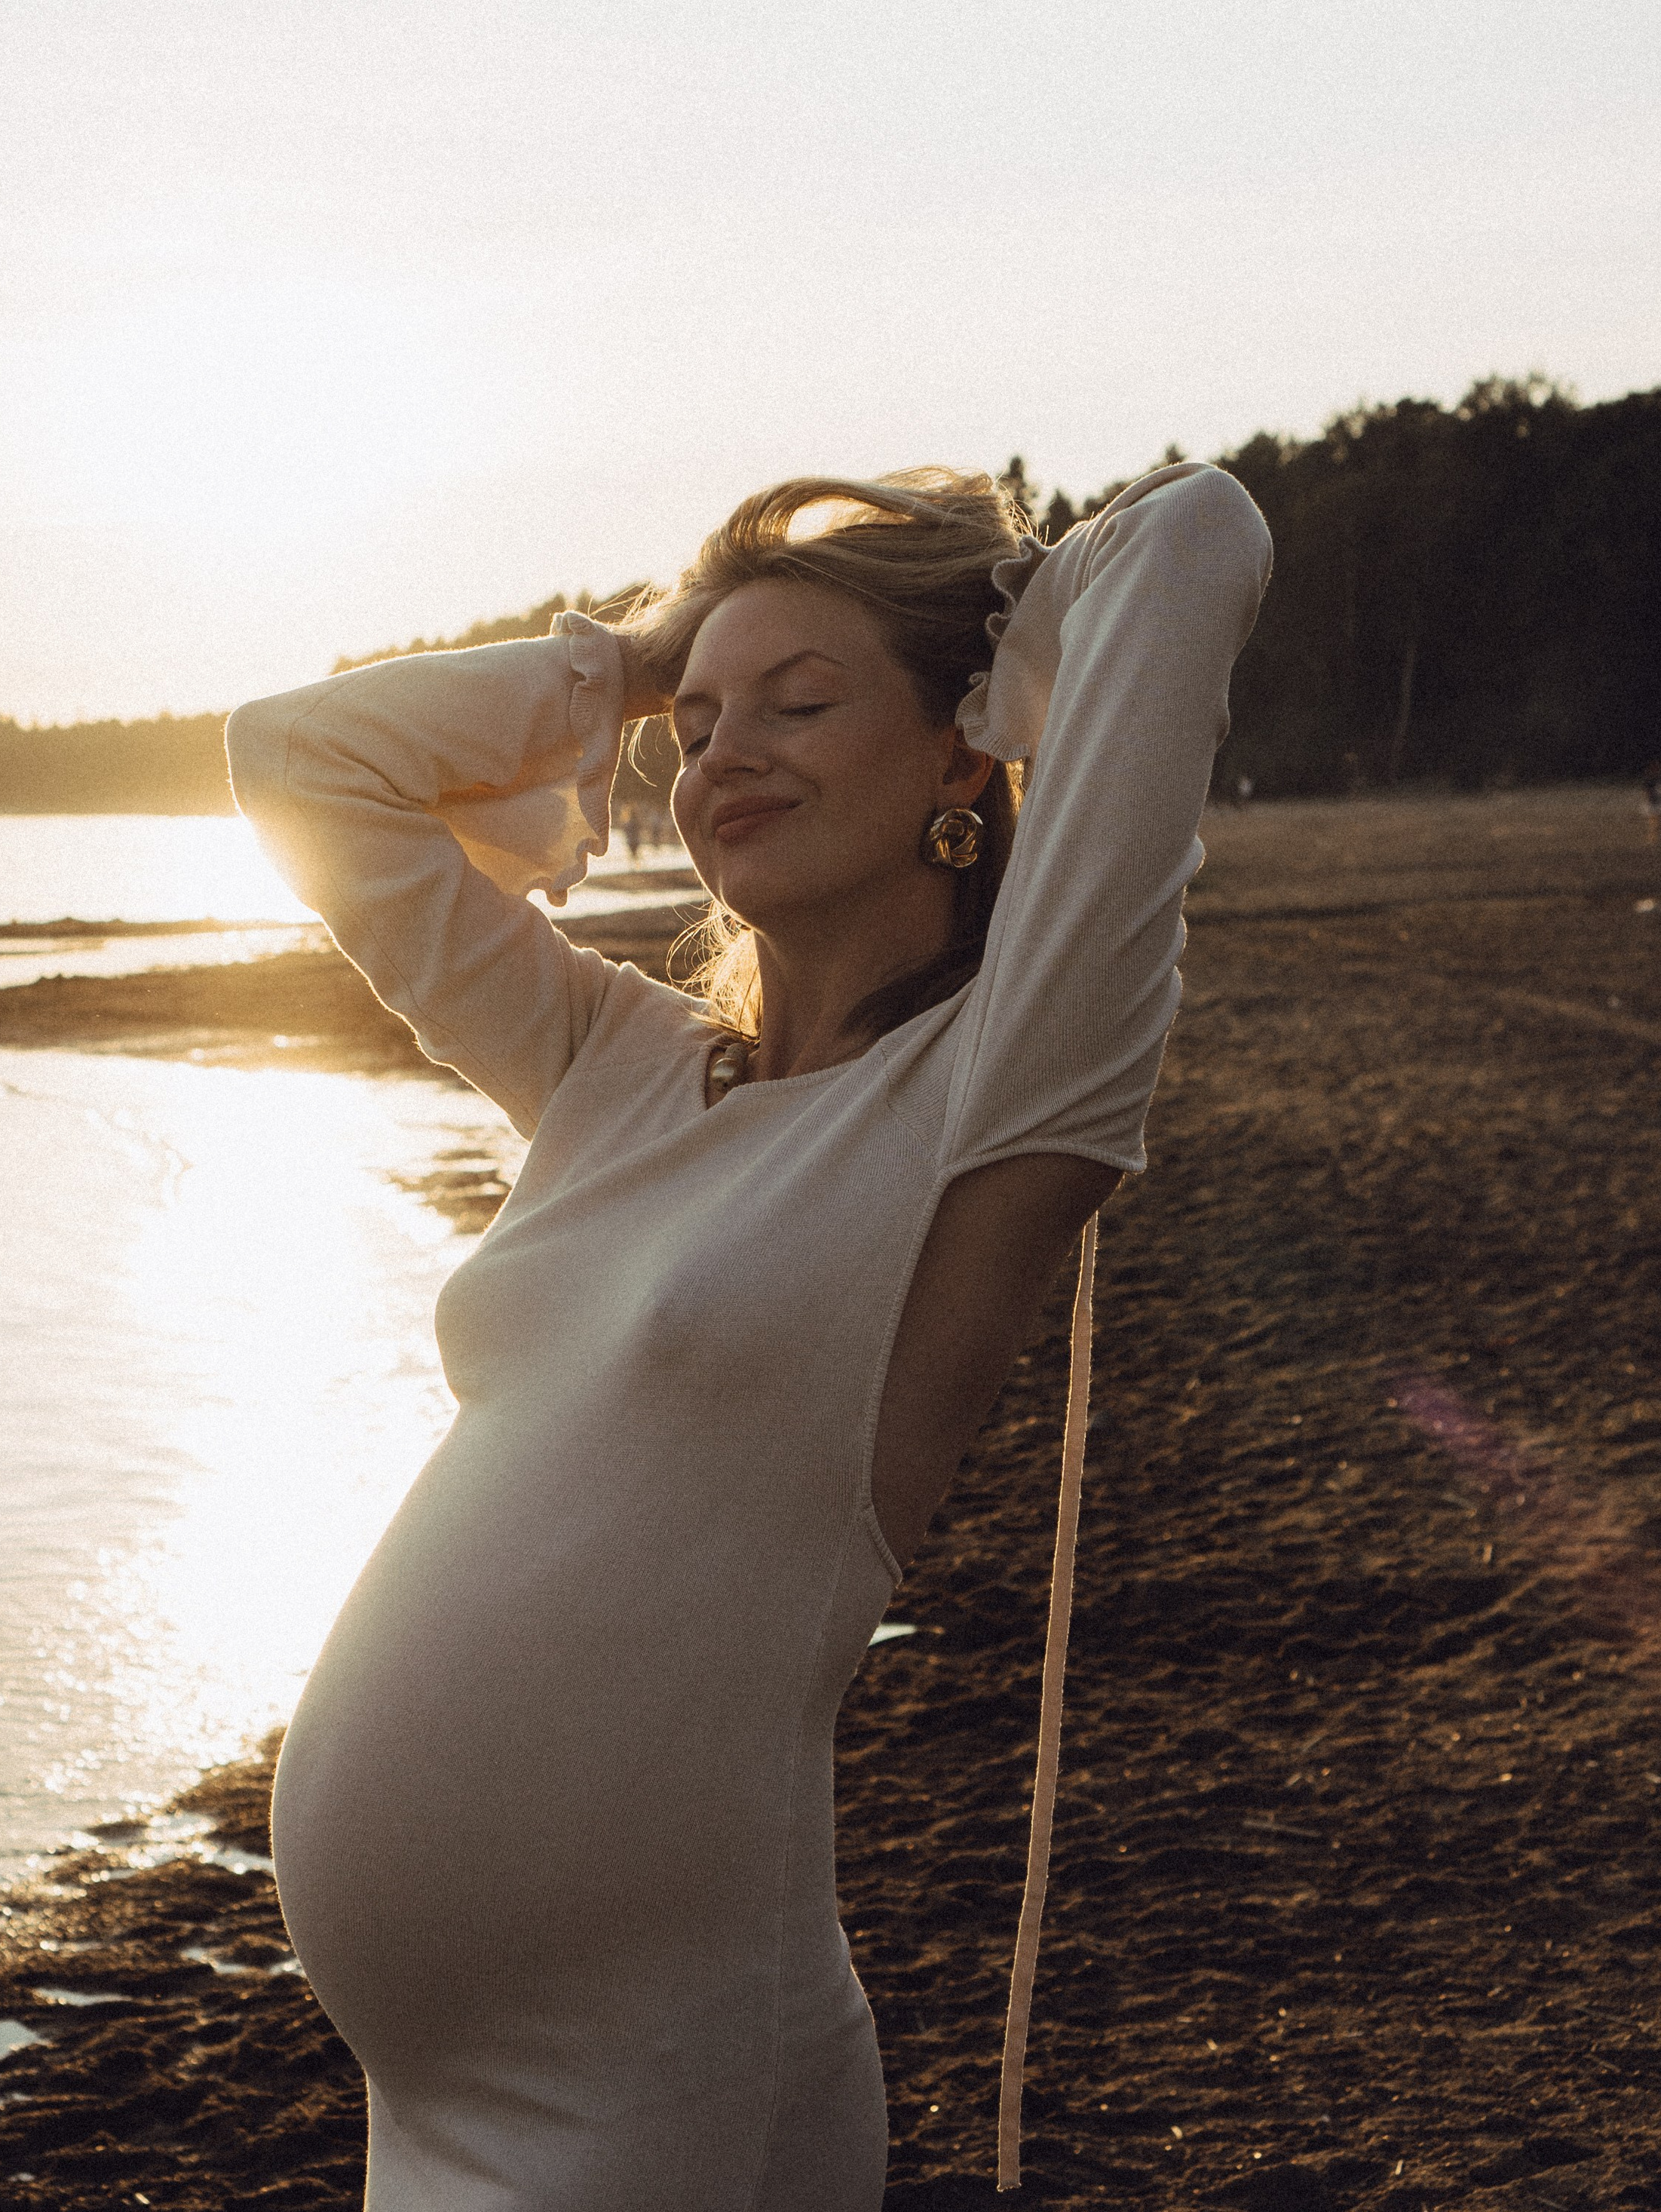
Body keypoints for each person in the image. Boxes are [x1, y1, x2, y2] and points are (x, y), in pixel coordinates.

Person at [226, 457, 1271, 2212]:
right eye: (695, 732)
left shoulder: (996, 1087)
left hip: (652, 2081)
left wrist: (959, 629)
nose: (721, 759)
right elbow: (294, 761)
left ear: (961, 751)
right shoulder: (609, 1063)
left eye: (798, 704)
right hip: (427, 2096)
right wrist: (641, 654)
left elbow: (1194, 541)